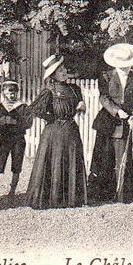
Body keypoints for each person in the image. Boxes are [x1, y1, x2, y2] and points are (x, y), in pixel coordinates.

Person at [26, 54, 88, 209]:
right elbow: (34, 109)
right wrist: (51, 118)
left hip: (71, 130)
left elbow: (80, 103)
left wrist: (81, 105)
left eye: (64, 68)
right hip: (54, 132)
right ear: (53, 74)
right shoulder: (49, 90)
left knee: (71, 160)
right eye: (60, 70)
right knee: (54, 162)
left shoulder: (74, 89)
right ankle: (53, 199)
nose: (64, 71)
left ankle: (72, 199)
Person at [89, 43, 133, 203]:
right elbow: (103, 98)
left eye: (127, 65)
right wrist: (116, 110)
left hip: (126, 124)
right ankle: (101, 194)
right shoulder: (106, 76)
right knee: (104, 157)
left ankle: (122, 194)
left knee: (124, 158)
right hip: (107, 123)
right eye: (121, 66)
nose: (125, 68)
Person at [0, 79, 34, 202]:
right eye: (9, 93)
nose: (12, 95)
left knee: (17, 164)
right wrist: (5, 120)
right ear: (4, 93)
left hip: (18, 138)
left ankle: (12, 191)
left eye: (14, 93)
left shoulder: (22, 106)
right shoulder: (2, 106)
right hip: (5, 138)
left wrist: (16, 122)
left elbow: (28, 123)